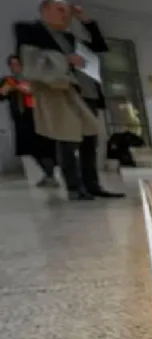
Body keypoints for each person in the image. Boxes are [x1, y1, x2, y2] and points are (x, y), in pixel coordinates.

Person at [15, 0, 122, 200]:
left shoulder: (69, 37)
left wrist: (84, 19)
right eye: (60, 10)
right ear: (45, 10)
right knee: (67, 138)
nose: (65, 15)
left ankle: (92, 185)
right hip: (59, 92)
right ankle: (74, 188)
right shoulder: (29, 30)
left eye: (68, 11)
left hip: (85, 92)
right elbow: (31, 61)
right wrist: (65, 60)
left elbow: (99, 46)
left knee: (91, 139)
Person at [2, 55, 58, 187]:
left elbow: (40, 94)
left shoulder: (32, 80)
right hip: (21, 119)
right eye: (12, 65)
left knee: (45, 147)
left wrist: (25, 89)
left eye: (17, 64)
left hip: (37, 116)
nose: (15, 67)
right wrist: (7, 89)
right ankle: (47, 173)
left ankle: (50, 174)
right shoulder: (8, 81)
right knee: (30, 148)